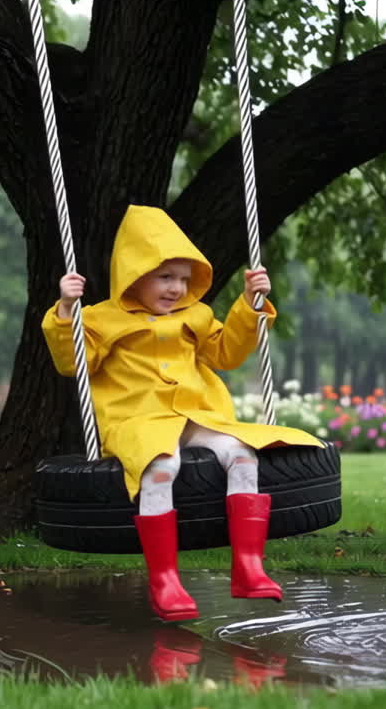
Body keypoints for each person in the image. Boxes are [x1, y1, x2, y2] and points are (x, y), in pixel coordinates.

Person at [41, 204, 323, 622]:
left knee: (242, 453)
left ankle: (248, 566)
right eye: (165, 277)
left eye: (184, 280)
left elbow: (226, 353)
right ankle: (165, 581)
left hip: (196, 417)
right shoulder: (100, 319)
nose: (176, 288)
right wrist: (66, 310)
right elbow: (72, 362)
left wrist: (249, 304)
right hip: (136, 421)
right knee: (161, 466)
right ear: (136, 274)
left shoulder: (196, 315)